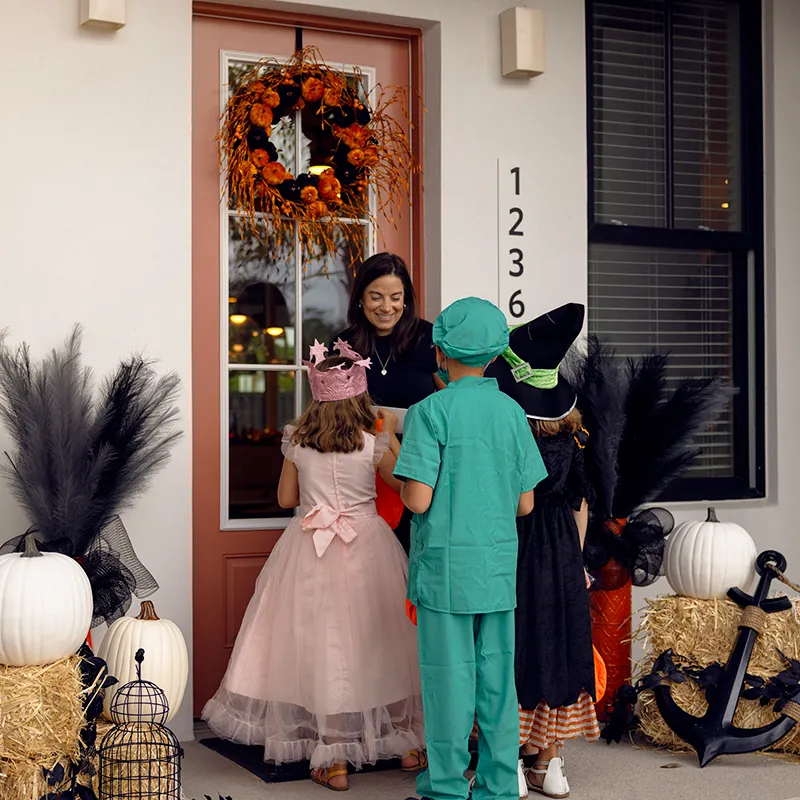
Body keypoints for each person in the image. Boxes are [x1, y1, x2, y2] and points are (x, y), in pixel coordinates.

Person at [202, 339, 424, 791]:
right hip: (369, 545)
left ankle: (333, 756)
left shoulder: (298, 442)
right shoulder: (373, 442)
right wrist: (391, 442)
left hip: (311, 546)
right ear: (361, 396)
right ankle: (404, 742)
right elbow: (404, 487)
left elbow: (286, 499)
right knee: (380, 640)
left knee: (324, 645)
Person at [394, 297, 548, 800]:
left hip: (444, 573)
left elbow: (417, 500)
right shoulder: (511, 412)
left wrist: (393, 474)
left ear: (440, 352)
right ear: (497, 352)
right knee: (498, 681)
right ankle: (500, 783)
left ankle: (445, 784)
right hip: (496, 569)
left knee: (449, 681)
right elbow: (525, 505)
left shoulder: (428, 412)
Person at [486, 304, 600, 799]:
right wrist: (577, 561)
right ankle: (549, 761)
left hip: (515, 546)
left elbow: (507, 502)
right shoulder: (571, 440)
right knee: (556, 640)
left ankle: (508, 759)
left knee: (515, 643)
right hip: (559, 553)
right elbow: (580, 505)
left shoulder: (508, 441)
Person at [335, 252, 444, 555]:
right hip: (360, 474)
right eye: (376, 297)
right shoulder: (343, 345)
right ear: (360, 298)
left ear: (406, 299)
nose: (386, 307)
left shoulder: (428, 338)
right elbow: (330, 412)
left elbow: (452, 398)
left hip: (420, 471)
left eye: (396, 297)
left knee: (414, 557)